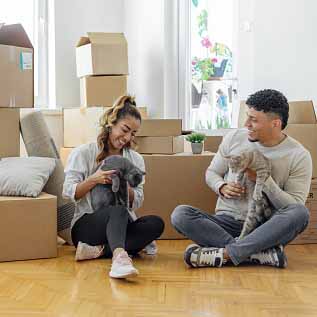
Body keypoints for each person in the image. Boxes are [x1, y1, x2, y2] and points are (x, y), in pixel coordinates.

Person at [171, 89, 312, 269]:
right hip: (226, 222)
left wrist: (263, 180)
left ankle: (226, 253)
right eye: (247, 117)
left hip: (265, 227)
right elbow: (212, 172)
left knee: (300, 213)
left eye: (254, 120)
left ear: (275, 123)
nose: (246, 124)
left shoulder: (298, 155)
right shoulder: (234, 138)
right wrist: (221, 186)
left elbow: (292, 206)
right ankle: (255, 254)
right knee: (181, 214)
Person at [63, 95, 164, 279]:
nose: (126, 138)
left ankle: (98, 251)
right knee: (117, 210)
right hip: (86, 226)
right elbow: (69, 192)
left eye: (133, 134)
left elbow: (138, 200)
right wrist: (94, 179)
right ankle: (119, 258)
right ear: (111, 123)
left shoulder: (135, 160)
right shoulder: (84, 153)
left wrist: (125, 184)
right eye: (124, 130)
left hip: (121, 223)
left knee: (156, 224)